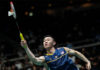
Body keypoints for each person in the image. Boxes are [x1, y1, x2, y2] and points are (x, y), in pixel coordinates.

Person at [20, 35, 91, 70]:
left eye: (48, 40)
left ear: (54, 43)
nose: (45, 41)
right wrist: (26, 48)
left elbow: (76, 53)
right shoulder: (46, 58)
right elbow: (35, 60)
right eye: (44, 41)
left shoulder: (63, 49)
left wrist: (87, 61)